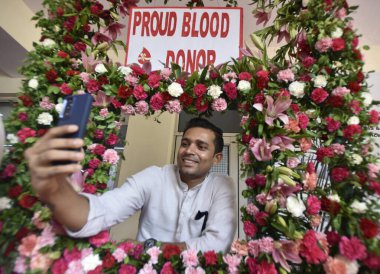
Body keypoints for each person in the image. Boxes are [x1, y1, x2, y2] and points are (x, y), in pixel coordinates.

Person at [25, 117, 237, 252]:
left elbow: (217, 244)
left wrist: (151, 247)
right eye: (185, 143)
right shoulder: (154, 177)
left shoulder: (221, 186)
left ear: (217, 158)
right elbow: (102, 212)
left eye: (201, 146)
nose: (189, 151)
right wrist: (55, 192)